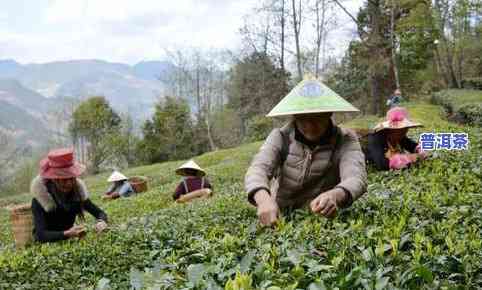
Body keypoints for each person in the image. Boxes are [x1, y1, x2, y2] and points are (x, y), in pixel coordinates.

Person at [244, 78, 367, 226]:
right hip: (281, 215)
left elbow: (356, 178)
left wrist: (335, 195)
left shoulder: (345, 139)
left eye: (318, 117)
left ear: (329, 113)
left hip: (321, 217)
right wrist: (264, 200)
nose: (310, 125)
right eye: (303, 118)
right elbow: (258, 168)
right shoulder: (280, 137)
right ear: (294, 116)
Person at [30, 148, 108, 243]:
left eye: (71, 178)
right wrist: (67, 234)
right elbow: (40, 235)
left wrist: (101, 222)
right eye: (64, 179)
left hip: (68, 239)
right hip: (48, 244)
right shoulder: (40, 199)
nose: (69, 183)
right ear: (54, 179)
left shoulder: (77, 192)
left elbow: (100, 213)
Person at [367, 107, 428, 171]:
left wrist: (420, 151)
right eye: (401, 129)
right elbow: (382, 164)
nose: (405, 131)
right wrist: (409, 158)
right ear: (391, 129)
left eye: (406, 129)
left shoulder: (400, 137)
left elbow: (412, 146)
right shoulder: (375, 139)